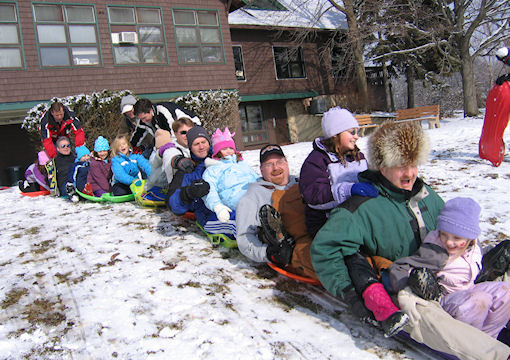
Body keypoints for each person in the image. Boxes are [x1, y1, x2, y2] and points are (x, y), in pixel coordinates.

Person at [310, 121, 510, 359]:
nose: (410, 174)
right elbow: (325, 249)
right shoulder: (361, 208)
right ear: (382, 167)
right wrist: (353, 292)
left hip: (445, 279)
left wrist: (470, 250)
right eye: (401, 166)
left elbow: (453, 231)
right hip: (404, 290)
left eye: (413, 164)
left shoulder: (425, 195)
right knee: (435, 320)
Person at [387, 197, 510, 339]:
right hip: (446, 302)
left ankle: (489, 338)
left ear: (470, 236)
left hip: (468, 290)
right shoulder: (436, 253)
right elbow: (400, 267)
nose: (449, 242)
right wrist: (406, 288)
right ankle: (469, 342)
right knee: (479, 300)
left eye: (456, 238)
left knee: (506, 292)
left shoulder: (473, 245)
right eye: (444, 234)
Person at [236, 144, 318, 280]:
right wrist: (268, 253)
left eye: (279, 162)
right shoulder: (252, 197)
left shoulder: (304, 183)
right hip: (296, 246)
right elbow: (244, 238)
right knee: (324, 259)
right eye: (269, 164)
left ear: (286, 163)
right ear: (261, 170)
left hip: (319, 231)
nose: (276, 168)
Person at [299, 107, 377, 237]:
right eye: (352, 132)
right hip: (326, 224)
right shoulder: (316, 161)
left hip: (357, 217)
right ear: (335, 134)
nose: (356, 137)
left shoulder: (358, 156)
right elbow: (313, 196)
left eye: (357, 131)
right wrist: (347, 190)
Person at [167, 126, 236, 238]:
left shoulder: (224, 158)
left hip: (235, 203)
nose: (201, 147)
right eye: (196, 144)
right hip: (209, 214)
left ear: (209, 143)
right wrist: (189, 193)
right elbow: (174, 204)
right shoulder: (187, 171)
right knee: (239, 223)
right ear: (190, 148)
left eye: (203, 142)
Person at [201, 127, 258, 223]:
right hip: (234, 207)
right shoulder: (213, 170)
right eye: (224, 149)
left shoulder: (243, 164)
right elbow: (210, 190)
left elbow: (256, 179)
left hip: (255, 199)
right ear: (217, 152)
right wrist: (218, 207)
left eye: (231, 148)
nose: (228, 151)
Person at [118, 94, 153, 159]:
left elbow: (150, 134)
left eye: (130, 110)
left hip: (149, 144)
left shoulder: (144, 117)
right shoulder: (126, 121)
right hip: (135, 146)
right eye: (127, 111)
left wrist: (143, 146)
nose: (129, 112)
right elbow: (122, 135)